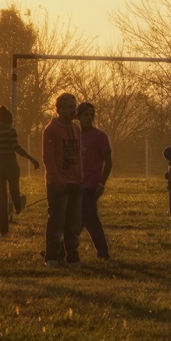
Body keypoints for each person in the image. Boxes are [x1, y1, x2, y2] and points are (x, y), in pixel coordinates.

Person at [0, 105, 40, 236]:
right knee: (14, 191)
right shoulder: (10, 131)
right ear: (9, 120)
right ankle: (19, 206)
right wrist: (32, 159)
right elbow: (17, 148)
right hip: (11, 165)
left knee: (2, 200)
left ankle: (4, 231)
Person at [41, 93, 84, 268]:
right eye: (69, 106)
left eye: (74, 106)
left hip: (75, 182)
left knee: (73, 223)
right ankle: (51, 256)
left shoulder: (76, 129)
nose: (73, 110)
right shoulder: (51, 130)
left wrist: (80, 176)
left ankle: (72, 257)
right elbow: (48, 157)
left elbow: (78, 155)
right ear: (59, 108)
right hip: (57, 184)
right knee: (57, 222)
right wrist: (56, 179)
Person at [77, 101, 112, 259]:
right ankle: (103, 251)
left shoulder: (99, 136)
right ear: (79, 116)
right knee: (91, 219)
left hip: (91, 184)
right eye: (86, 115)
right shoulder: (75, 134)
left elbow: (108, 161)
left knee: (82, 217)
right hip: (77, 182)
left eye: (92, 115)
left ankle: (61, 248)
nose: (89, 118)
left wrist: (101, 183)